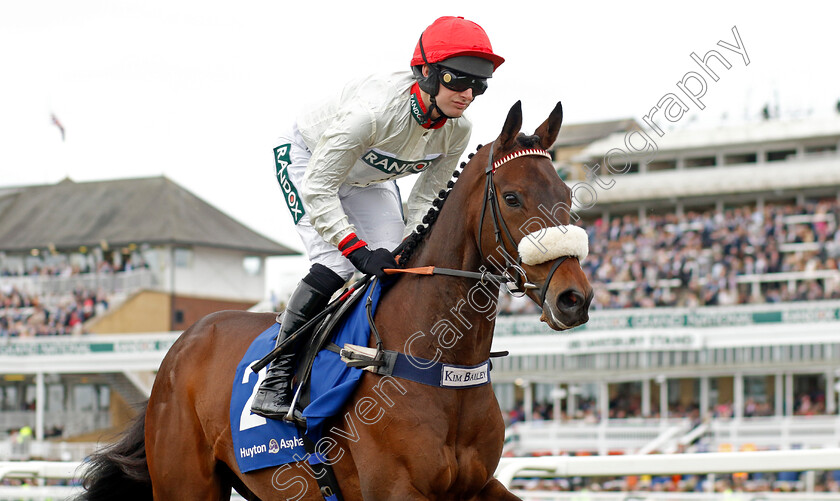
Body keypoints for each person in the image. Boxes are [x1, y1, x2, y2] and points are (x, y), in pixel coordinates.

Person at [251, 15, 504, 420]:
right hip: (310, 162)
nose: (468, 93)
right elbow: (318, 187)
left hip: (370, 180)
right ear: (426, 72)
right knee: (336, 261)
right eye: (458, 80)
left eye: (480, 84)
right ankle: (276, 378)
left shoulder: (458, 130)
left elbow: (427, 197)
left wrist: (405, 242)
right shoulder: (371, 113)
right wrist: (355, 249)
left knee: (400, 261)